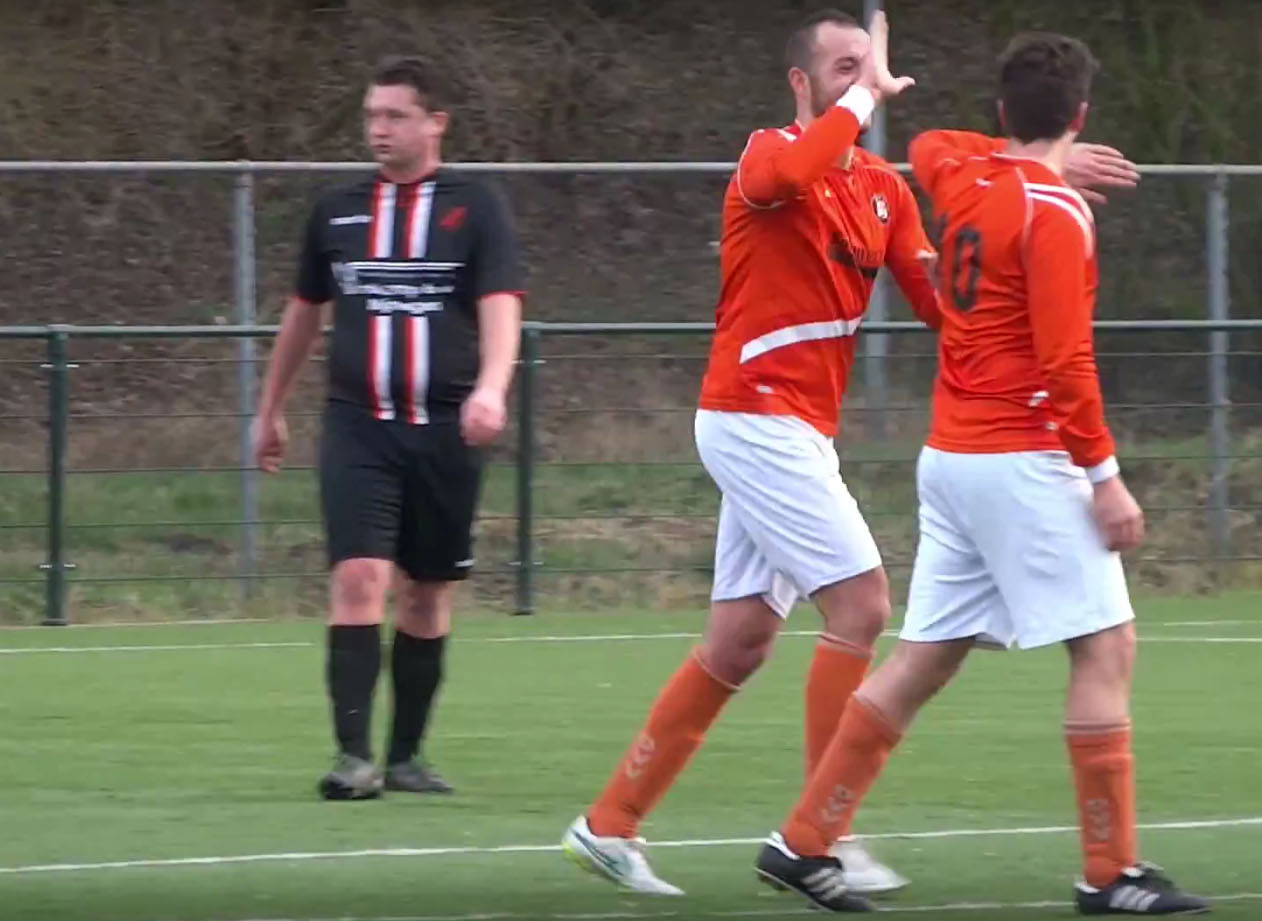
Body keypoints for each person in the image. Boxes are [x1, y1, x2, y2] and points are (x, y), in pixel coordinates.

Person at [562, 9, 1138, 898]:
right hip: (752, 414)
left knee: (740, 640)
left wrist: (1039, 166)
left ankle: (609, 823)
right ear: (801, 82)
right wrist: (868, 99)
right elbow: (796, 169)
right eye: (841, 69)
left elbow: (944, 303)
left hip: (796, 428)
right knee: (863, 603)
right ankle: (827, 833)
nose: (859, 82)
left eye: (865, 68)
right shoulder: (770, 156)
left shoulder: (881, 187)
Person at [752, 32, 1211, 915]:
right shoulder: (1054, 212)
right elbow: (1065, 361)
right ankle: (1109, 871)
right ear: (1080, 116)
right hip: (1020, 459)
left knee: (923, 658)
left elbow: (932, 142)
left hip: (953, 458)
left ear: (1003, 112)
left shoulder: (964, 177)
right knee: (1104, 646)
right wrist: (1105, 476)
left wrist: (1034, 149)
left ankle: (802, 840)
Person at [252, 55, 526, 801]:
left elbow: (501, 304)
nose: (379, 128)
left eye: (395, 115)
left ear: (435, 122)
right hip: (358, 427)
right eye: (372, 114)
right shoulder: (337, 210)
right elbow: (303, 314)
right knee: (359, 576)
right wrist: (270, 409)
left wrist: (492, 389)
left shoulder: (475, 207)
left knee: (428, 594)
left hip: (444, 430)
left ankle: (405, 757)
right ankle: (353, 757)